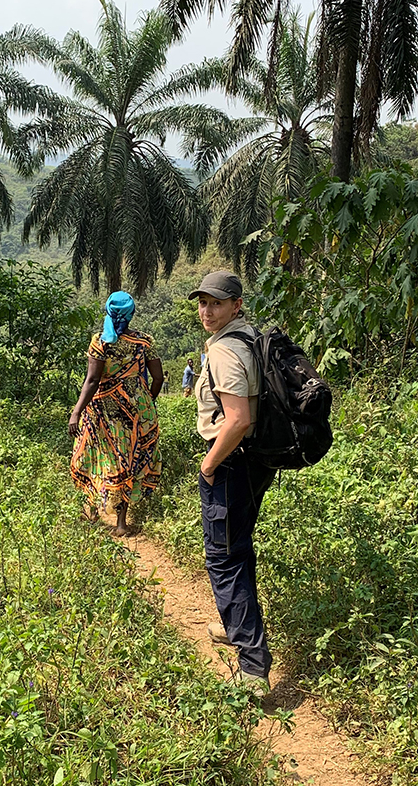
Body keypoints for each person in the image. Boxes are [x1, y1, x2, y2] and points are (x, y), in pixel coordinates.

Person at [188, 270, 275, 697]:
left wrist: (208, 465)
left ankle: (253, 668)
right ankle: (233, 623)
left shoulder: (225, 351)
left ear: (236, 304)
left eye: (216, 303)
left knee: (224, 560)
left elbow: (237, 419)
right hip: (256, 461)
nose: (207, 311)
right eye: (203, 302)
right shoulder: (249, 338)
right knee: (237, 549)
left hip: (231, 464)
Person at [69, 291, 164, 537]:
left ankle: (90, 509)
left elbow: (92, 380)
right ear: (131, 315)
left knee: (92, 454)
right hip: (136, 409)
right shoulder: (144, 342)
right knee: (129, 459)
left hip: (103, 410)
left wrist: (76, 411)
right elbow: (158, 378)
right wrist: (146, 401)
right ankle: (121, 522)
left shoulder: (100, 341)